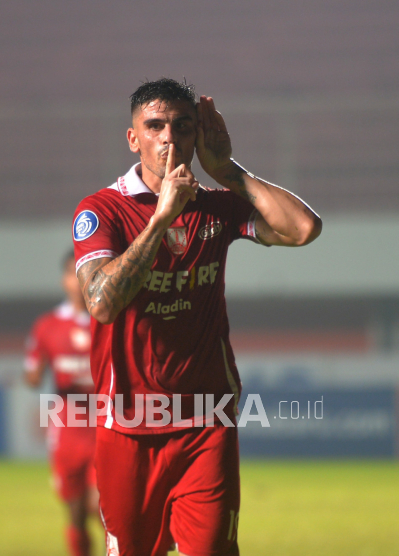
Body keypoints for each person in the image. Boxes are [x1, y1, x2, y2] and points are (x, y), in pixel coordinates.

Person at [72, 78, 321, 556]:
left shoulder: (215, 206)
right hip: (128, 427)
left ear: (196, 135)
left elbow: (304, 229)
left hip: (206, 421)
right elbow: (101, 303)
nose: (169, 137)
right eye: (155, 125)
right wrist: (161, 218)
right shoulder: (101, 210)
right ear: (133, 138)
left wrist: (229, 171)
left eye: (182, 126)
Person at [25, 251, 100, 556]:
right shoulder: (47, 326)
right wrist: (36, 373)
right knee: (76, 514)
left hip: (105, 425)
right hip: (68, 428)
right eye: (73, 273)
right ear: (64, 279)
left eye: (85, 272)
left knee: (103, 506)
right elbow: (32, 374)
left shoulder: (109, 318)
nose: (78, 280)